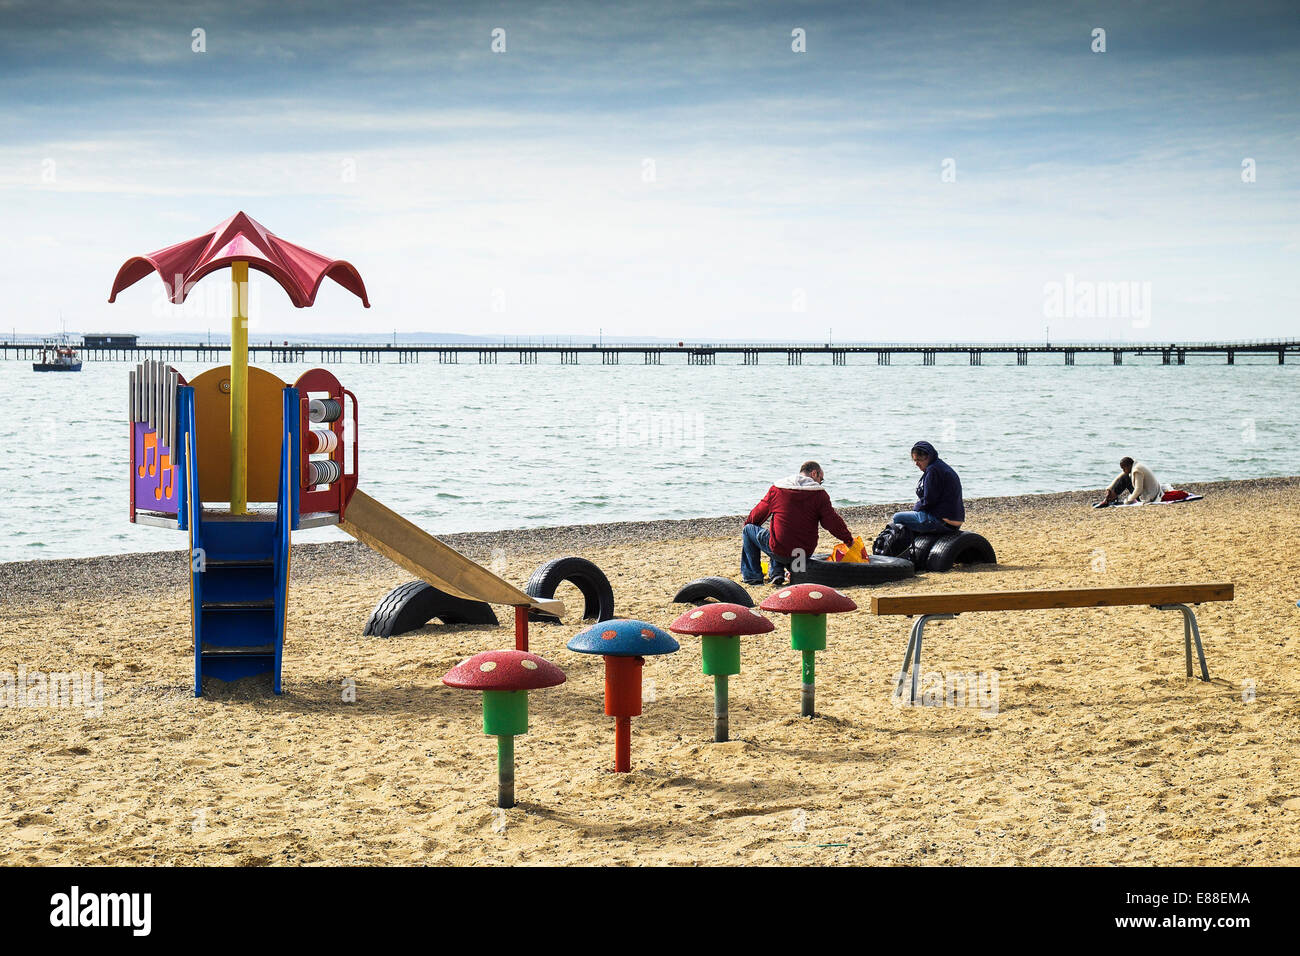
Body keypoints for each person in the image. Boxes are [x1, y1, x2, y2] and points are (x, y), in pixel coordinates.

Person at [742, 461, 855, 586]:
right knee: (782, 529)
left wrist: (749, 525)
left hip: (780, 550)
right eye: (821, 479)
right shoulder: (820, 495)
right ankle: (776, 573)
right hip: (803, 553)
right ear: (814, 473)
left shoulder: (778, 489)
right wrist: (848, 539)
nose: (820, 483)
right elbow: (832, 522)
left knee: (751, 529)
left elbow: (757, 514)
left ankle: (753, 577)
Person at [891, 440, 964, 534]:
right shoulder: (940, 466)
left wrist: (916, 507)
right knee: (913, 515)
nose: (916, 464)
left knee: (897, 517)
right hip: (955, 519)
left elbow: (929, 500)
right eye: (914, 460)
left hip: (941, 521)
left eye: (919, 460)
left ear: (928, 457)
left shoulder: (933, 471)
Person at [1098, 457, 1164, 506]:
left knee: (1125, 479)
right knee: (1124, 477)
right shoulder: (1136, 465)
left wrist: (1128, 500)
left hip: (1150, 497)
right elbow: (1121, 475)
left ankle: (1110, 499)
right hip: (1154, 493)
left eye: (1124, 468)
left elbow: (1138, 489)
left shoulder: (1137, 471)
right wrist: (1109, 488)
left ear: (1129, 466)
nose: (1123, 470)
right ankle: (1111, 497)